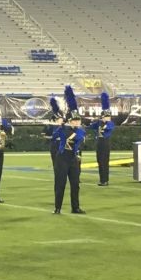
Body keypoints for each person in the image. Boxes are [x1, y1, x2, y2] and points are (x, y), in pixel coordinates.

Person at [53, 86, 86, 215]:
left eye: (78, 120)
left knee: (75, 184)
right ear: (71, 121)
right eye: (75, 120)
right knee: (60, 184)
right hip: (62, 159)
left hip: (73, 159)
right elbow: (55, 137)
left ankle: (75, 207)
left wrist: (69, 129)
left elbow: (77, 137)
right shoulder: (63, 129)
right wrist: (60, 127)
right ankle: (57, 207)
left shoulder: (80, 131)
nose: (77, 122)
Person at [89, 92, 115, 186]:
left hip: (105, 143)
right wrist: (96, 122)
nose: (108, 118)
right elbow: (91, 126)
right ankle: (102, 179)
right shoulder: (99, 123)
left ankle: (105, 180)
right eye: (106, 116)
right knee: (99, 161)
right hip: (99, 143)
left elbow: (109, 127)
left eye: (108, 116)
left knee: (104, 162)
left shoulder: (110, 123)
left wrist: (104, 122)